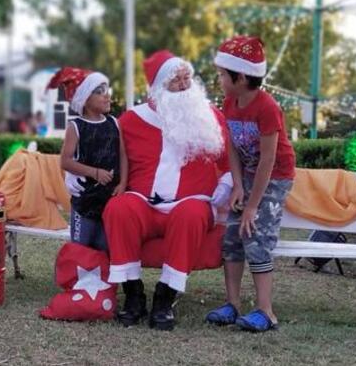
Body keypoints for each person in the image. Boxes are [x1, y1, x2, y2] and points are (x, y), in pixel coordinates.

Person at [84, 50, 233, 331]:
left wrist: (225, 188)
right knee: (119, 208)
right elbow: (107, 157)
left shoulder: (211, 117)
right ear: (159, 86)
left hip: (193, 202)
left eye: (187, 77)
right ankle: (133, 293)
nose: (185, 85)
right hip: (144, 202)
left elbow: (228, 165)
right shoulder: (131, 120)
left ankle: (166, 296)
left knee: (189, 214)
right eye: (176, 80)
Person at [205, 35, 296, 333]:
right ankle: (232, 305)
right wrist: (237, 185)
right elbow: (232, 144)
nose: (218, 79)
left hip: (274, 177)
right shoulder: (231, 101)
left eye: (222, 74)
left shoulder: (267, 108)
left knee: (254, 236)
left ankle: (266, 312)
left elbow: (268, 161)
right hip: (246, 176)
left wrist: (253, 206)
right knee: (232, 237)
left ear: (241, 77)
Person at [48, 68, 127, 251]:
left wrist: (123, 183)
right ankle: (78, 278)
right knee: (82, 245)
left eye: (107, 91)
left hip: (110, 198)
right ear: (84, 99)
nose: (106, 96)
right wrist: (95, 172)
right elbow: (65, 161)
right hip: (86, 199)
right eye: (99, 92)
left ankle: (103, 280)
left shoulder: (114, 123)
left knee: (105, 246)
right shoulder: (75, 127)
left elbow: (122, 154)